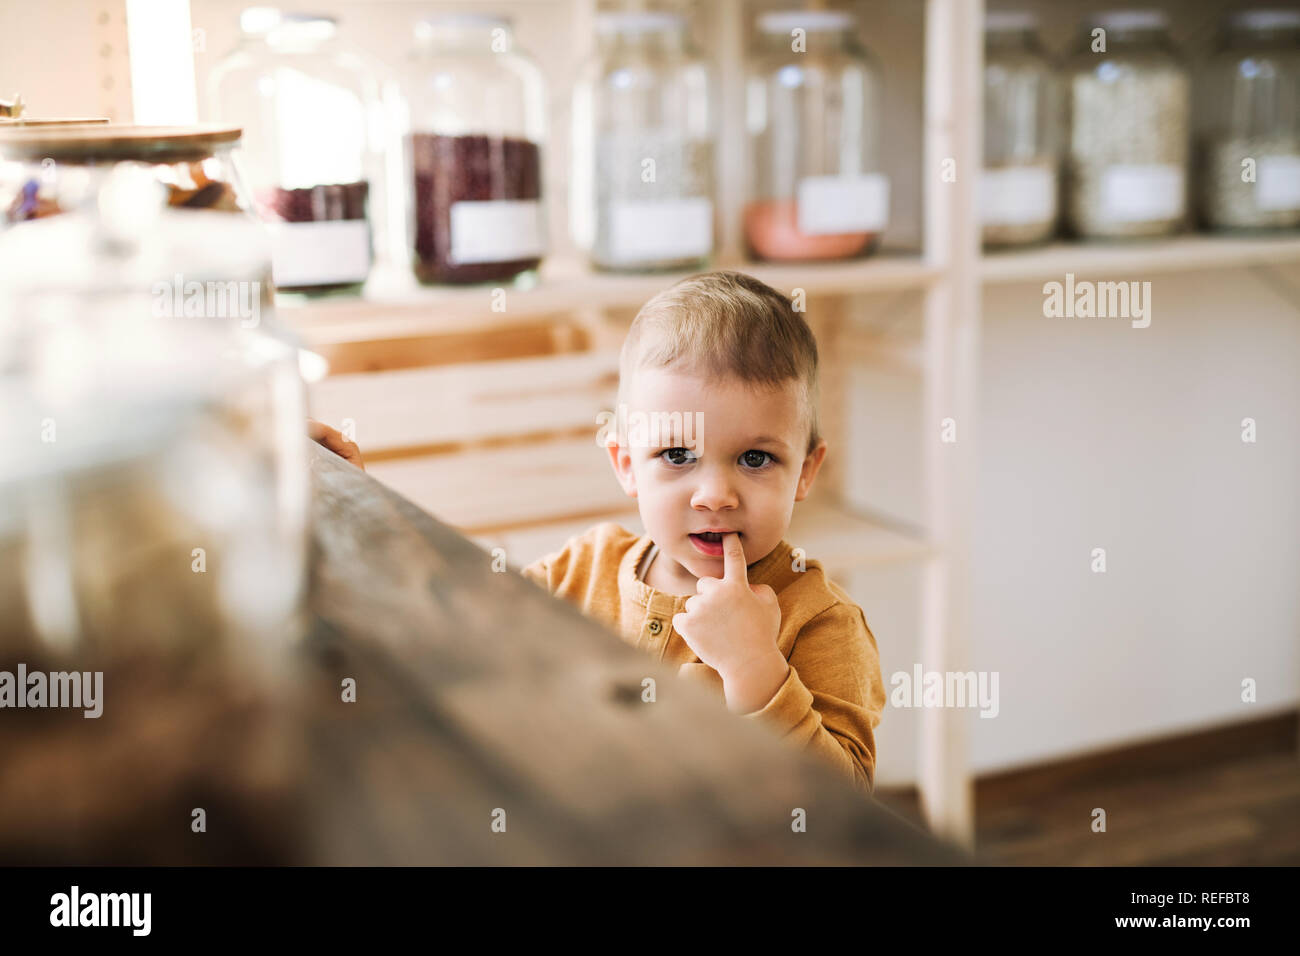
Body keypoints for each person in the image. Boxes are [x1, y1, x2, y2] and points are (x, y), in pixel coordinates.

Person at [520, 271, 886, 795]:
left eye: (755, 458)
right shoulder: (580, 569)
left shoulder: (820, 622)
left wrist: (756, 670)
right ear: (626, 464)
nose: (715, 494)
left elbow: (843, 808)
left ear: (805, 470)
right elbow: (460, 619)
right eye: (677, 455)